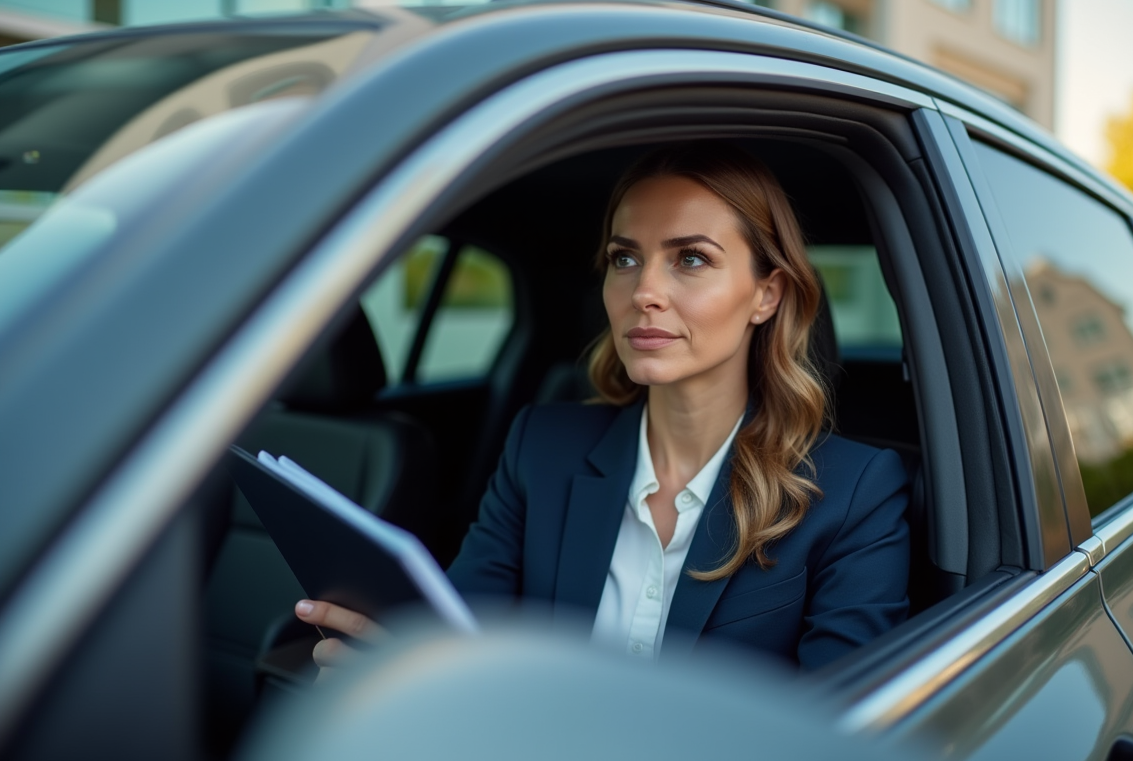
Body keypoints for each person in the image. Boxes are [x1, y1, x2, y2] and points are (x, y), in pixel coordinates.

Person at [294, 142, 910, 673]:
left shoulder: (855, 492)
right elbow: (464, 646)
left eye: (690, 259)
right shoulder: (541, 448)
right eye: (625, 258)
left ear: (766, 295)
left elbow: (834, 732)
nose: (644, 291)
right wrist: (398, 671)